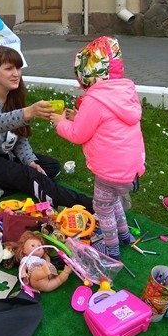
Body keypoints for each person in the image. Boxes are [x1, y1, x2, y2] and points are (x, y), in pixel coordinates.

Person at [0, 45, 92, 208]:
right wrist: (28, 112)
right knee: (28, 176)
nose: (16, 74)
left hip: (2, 156)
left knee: (50, 167)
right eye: (9, 69)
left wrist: (30, 162)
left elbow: (19, 138)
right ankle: (86, 203)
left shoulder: (12, 97)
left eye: (18, 68)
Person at [50, 36, 145, 260]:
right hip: (130, 169)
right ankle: (124, 235)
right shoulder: (124, 92)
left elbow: (78, 134)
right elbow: (103, 123)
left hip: (109, 171)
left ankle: (111, 249)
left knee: (102, 207)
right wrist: (78, 116)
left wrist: (60, 122)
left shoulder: (94, 99)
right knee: (113, 200)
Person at [6, 231, 71, 293]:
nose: (38, 247)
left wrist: (45, 256)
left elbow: (48, 260)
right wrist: (23, 272)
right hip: (36, 279)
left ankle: (66, 272)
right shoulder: (27, 258)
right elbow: (22, 266)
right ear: (24, 250)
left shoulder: (42, 260)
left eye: (39, 246)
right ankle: (44, 271)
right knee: (35, 274)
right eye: (33, 245)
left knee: (58, 280)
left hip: (46, 282)